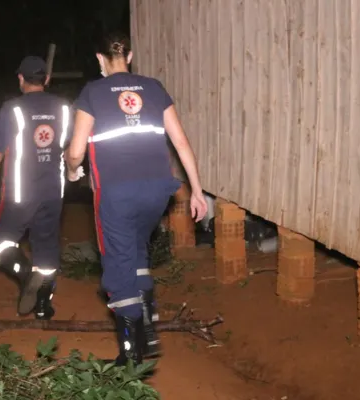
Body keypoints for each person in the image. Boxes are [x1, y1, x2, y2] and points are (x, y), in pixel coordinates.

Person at [66, 32, 208, 366]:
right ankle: (149, 324)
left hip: (116, 194)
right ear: (128, 57)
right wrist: (197, 191)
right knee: (135, 250)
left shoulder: (92, 92)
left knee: (117, 266)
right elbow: (181, 142)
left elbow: (75, 152)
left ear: (100, 59)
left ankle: (131, 354)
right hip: (158, 191)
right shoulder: (154, 88)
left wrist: (72, 171)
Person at [0, 56, 72, 320]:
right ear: (46, 80)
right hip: (53, 191)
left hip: (20, 194)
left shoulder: (12, 109)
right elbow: (71, 147)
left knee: (0, 245)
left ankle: (27, 275)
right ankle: (43, 307)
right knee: (46, 248)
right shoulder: (63, 108)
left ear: (20, 79)